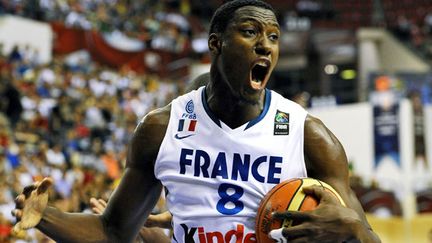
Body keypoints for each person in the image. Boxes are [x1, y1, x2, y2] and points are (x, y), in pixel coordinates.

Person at [13, 0, 381, 242]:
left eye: (273, 37)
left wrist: (352, 229)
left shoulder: (308, 134)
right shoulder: (161, 129)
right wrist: (46, 216)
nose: (266, 45)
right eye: (251, 32)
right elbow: (112, 231)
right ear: (216, 44)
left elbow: (364, 234)